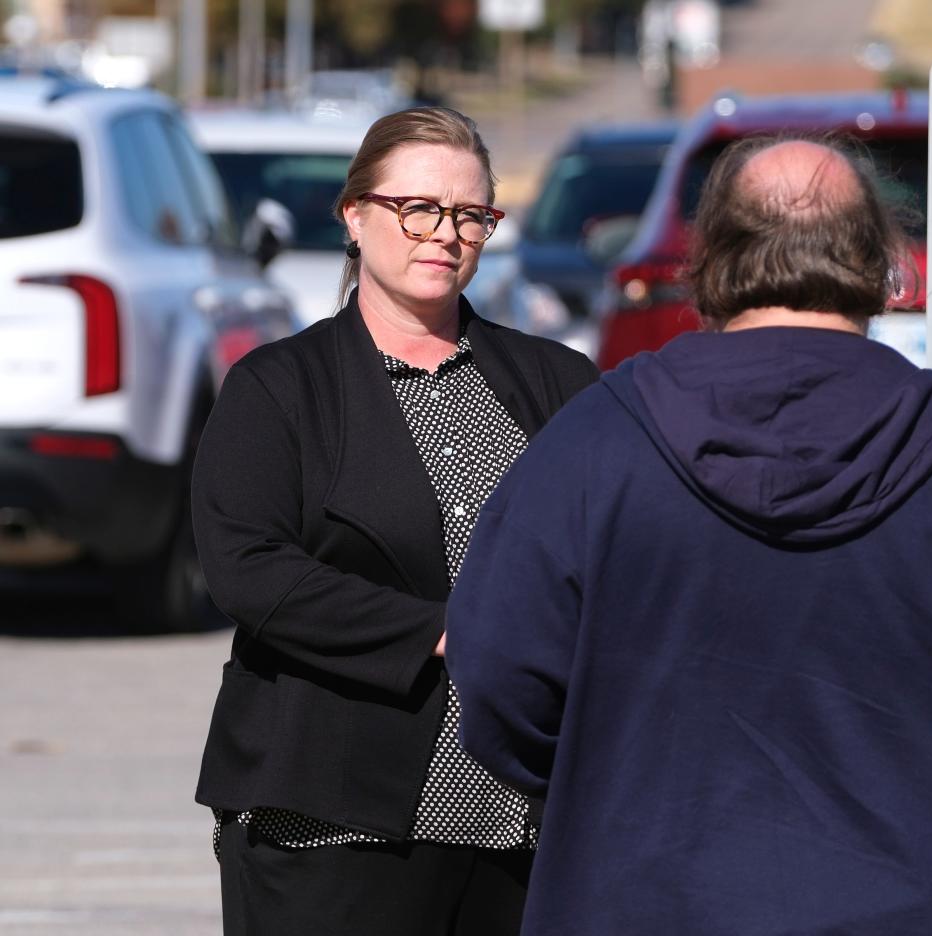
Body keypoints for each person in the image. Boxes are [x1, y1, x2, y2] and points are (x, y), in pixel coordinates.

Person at [445, 133, 932, 935]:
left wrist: (611, 799)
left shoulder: (592, 450)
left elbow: (500, 677)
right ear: (883, 261)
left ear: (708, 256)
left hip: (650, 896)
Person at [191, 106, 598, 935]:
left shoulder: (559, 384)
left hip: (521, 826)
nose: (444, 234)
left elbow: (617, 556)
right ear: (355, 214)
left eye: (470, 215)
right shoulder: (279, 388)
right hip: (330, 821)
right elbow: (248, 567)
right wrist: (445, 632)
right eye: (418, 208)